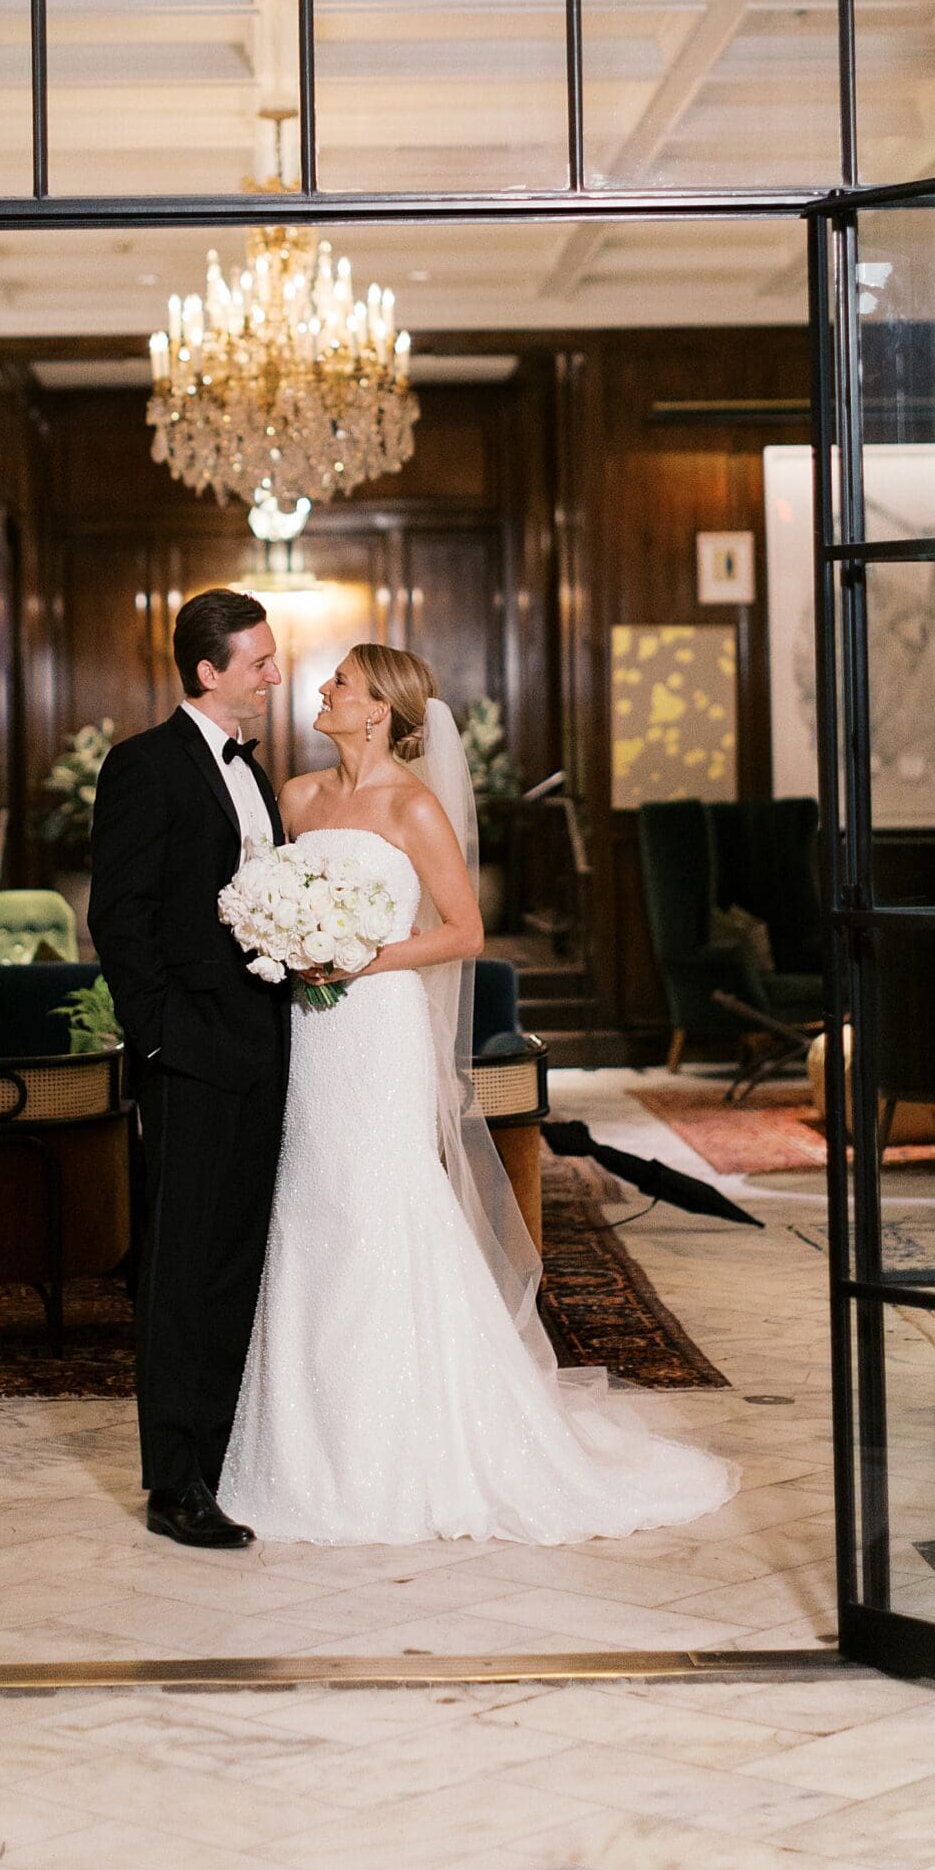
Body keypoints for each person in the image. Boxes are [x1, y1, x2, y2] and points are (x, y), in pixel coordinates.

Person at [217, 642, 740, 1545]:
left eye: (341, 680)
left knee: (382, 1205)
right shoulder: (296, 797)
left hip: (376, 1028)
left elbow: (464, 931)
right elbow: (263, 889)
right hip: (311, 1030)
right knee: (311, 1205)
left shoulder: (414, 807)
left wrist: (360, 955)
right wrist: (283, 935)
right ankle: (305, 1444)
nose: (325, 688)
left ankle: (411, 1443)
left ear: (378, 707)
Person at [88, 589, 288, 1550]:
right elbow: (117, 919)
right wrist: (159, 1036)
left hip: (267, 1047)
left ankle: (223, 1456)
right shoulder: (143, 766)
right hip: (191, 1052)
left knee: (240, 1257)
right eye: (259, 662)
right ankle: (175, 1485)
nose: (275, 675)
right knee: (178, 1270)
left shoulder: (258, 771)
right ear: (209, 672)